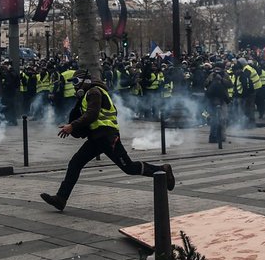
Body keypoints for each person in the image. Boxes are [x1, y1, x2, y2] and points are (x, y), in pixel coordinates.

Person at [40, 70, 174, 212]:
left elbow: (92, 114)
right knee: (75, 163)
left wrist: (72, 126)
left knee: (128, 167)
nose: (73, 86)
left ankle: (162, 170)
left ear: (84, 81)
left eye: (75, 82)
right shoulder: (88, 94)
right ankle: (61, 198)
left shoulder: (94, 92)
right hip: (97, 138)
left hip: (107, 136)